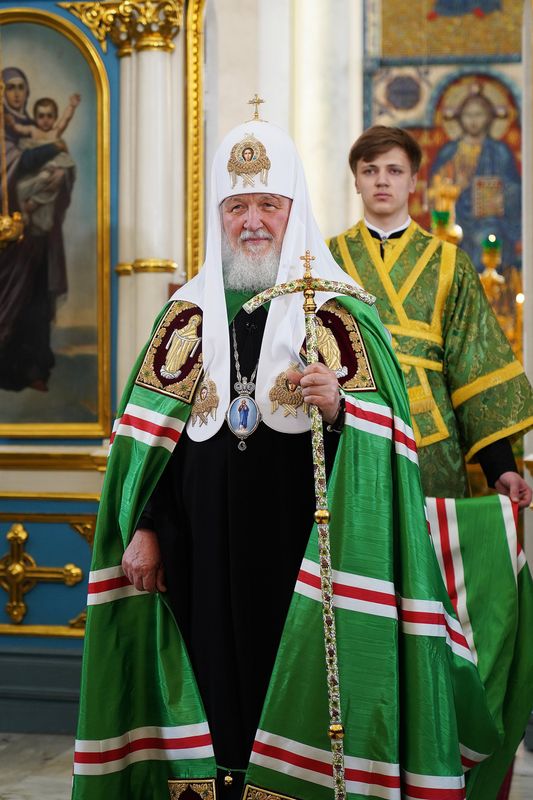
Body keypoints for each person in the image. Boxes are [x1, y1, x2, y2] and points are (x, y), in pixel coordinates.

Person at [73, 117, 515, 800]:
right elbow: (153, 447)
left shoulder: (335, 312)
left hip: (305, 551)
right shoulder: (183, 316)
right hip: (199, 552)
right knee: (211, 686)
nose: (252, 222)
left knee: (290, 685)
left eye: (267, 205)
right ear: (219, 215)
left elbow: (387, 441)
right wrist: (147, 528)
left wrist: (339, 409)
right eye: (236, 207)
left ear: (293, 209)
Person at [328, 124, 533, 503]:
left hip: (433, 440)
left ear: (413, 182)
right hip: (351, 427)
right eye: (370, 170)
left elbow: (474, 363)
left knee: (432, 536)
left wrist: (500, 467)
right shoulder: (327, 259)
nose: (382, 181)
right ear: (356, 180)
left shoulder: (449, 262)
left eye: (394, 170)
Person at [0, 67, 74, 391]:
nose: (16, 93)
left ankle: (34, 370)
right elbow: (16, 163)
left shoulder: (34, 128)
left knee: (37, 304)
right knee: (9, 300)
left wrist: (60, 171)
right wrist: (52, 149)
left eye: (21, 87)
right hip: (10, 241)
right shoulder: (7, 131)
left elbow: (62, 171)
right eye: (10, 88)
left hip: (39, 236)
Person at [430, 85, 521, 272]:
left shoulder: (500, 151)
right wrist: (456, 187)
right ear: (460, 118)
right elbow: (434, 190)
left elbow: (517, 190)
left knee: (488, 236)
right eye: (468, 115)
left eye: (479, 115)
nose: (473, 120)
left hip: (490, 220)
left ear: (489, 118)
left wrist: (501, 194)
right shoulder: (450, 152)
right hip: (455, 216)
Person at [6, 93, 80, 235]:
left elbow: (66, 119)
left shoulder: (55, 133)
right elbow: (17, 128)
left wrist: (72, 106)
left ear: (55, 118)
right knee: (21, 188)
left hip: (51, 169)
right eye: (41, 116)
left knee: (47, 179)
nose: (45, 120)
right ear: (35, 118)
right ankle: (26, 209)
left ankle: (34, 204)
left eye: (49, 116)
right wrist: (11, 123)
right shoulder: (33, 131)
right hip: (36, 172)